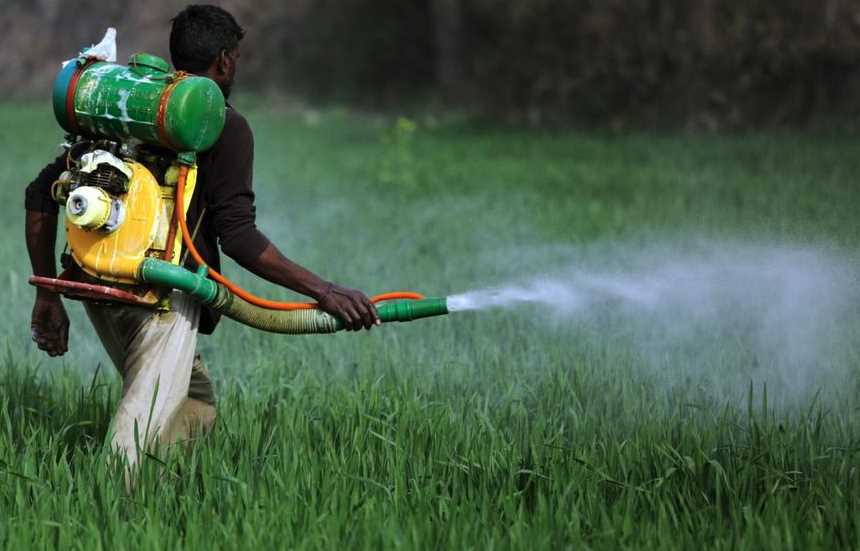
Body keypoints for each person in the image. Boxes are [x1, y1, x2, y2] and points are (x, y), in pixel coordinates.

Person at [24, 4, 379, 472]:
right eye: (236, 58)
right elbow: (239, 237)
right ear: (226, 61)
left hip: (99, 280)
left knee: (195, 402)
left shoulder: (123, 109)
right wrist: (325, 291)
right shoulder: (223, 126)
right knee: (138, 432)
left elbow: (40, 196)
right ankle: (100, 508)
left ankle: (163, 504)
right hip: (164, 295)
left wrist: (48, 291)